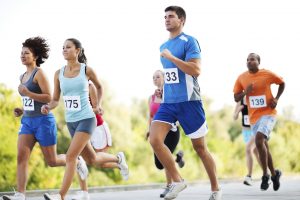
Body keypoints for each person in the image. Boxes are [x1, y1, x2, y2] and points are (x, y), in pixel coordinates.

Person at [41, 38, 128, 200]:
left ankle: (60, 195)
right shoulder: (58, 74)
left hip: (87, 119)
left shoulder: (86, 70)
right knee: (92, 159)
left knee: (70, 157)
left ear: (77, 51)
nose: (64, 50)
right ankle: (118, 158)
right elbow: (55, 100)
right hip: (71, 122)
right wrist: (48, 106)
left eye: (68, 47)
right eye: (63, 48)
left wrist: (99, 104)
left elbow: (100, 86)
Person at [149, 6, 222, 200]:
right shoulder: (163, 45)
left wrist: (172, 58)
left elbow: (195, 70)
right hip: (169, 103)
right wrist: (163, 88)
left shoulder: (189, 41)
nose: (166, 19)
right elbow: (172, 75)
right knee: (155, 139)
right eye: (164, 17)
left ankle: (216, 188)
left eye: (171, 16)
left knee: (200, 148)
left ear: (181, 20)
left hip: (189, 102)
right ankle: (178, 180)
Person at [1, 37, 68, 200]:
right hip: (28, 122)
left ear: (35, 56)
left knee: (52, 161)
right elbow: (30, 101)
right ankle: (20, 194)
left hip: (44, 121)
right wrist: (22, 109)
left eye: (27, 53)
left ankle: (75, 160)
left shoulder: (40, 73)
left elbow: (49, 98)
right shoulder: (22, 76)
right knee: (21, 157)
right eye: (21, 53)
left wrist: (28, 93)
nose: (23, 56)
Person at [233, 53, 285, 191]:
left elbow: (282, 83)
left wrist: (277, 99)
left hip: (269, 114)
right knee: (264, 147)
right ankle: (275, 175)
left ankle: (265, 175)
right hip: (254, 117)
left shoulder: (266, 74)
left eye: (253, 59)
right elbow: (235, 97)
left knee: (259, 138)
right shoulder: (242, 78)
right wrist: (246, 92)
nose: (250, 61)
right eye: (248, 60)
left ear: (258, 62)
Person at [72, 82, 123, 200]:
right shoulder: (71, 86)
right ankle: (84, 193)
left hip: (98, 128)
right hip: (82, 127)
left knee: (98, 162)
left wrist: (82, 111)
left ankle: (119, 161)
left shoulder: (89, 86)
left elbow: (96, 109)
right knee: (80, 159)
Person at [146, 70, 185, 198]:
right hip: (157, 131)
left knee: (164, 159)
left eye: (158, 76)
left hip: (171, 130)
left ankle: (170, 186)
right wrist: (149, 130)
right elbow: (151, 116)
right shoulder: (151, 98)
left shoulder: (170, 93)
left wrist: (163, 96)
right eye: (153, 77)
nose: (155, 79)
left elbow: (175, 108)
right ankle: (177, 158)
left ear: (164, 78)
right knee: (159, 164)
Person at [233, 97, 261, 186]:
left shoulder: (254, 99)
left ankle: (249, 176)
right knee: (256, 152)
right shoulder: (240, 101)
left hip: (255, 129)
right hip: (246, 131)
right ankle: (268, 172)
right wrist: (238, 110)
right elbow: (234, 117)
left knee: (249, 149)